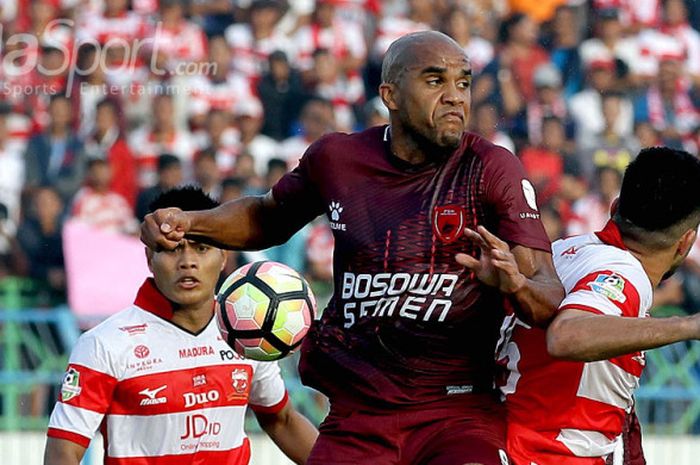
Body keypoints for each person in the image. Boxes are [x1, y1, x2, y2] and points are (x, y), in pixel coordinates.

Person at [141, 31, 564, 465]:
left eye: (463, 82)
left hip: (457, 412)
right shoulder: (337, 160)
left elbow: (549, 295)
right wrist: (188, 222)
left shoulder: (490, 167)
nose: (456, 96)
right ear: (390, 95)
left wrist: (515, 285)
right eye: (435, 81)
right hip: (359, 415)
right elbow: (266, 219)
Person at [44, 186, 318, 465]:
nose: (188, 262)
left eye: (201, 248)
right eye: (173, 249)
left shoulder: (247, 334)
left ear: (224, 256)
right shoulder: (104, 343)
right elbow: (64, 450)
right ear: (150, 258)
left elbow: (282, 421)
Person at [499, 147, 700, 465]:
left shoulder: (565, 249)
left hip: (507, 441)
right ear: (686, 242)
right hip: (547, 456)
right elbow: (567, 335)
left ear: (615, 208)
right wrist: (688, 325)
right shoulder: (623, 274)